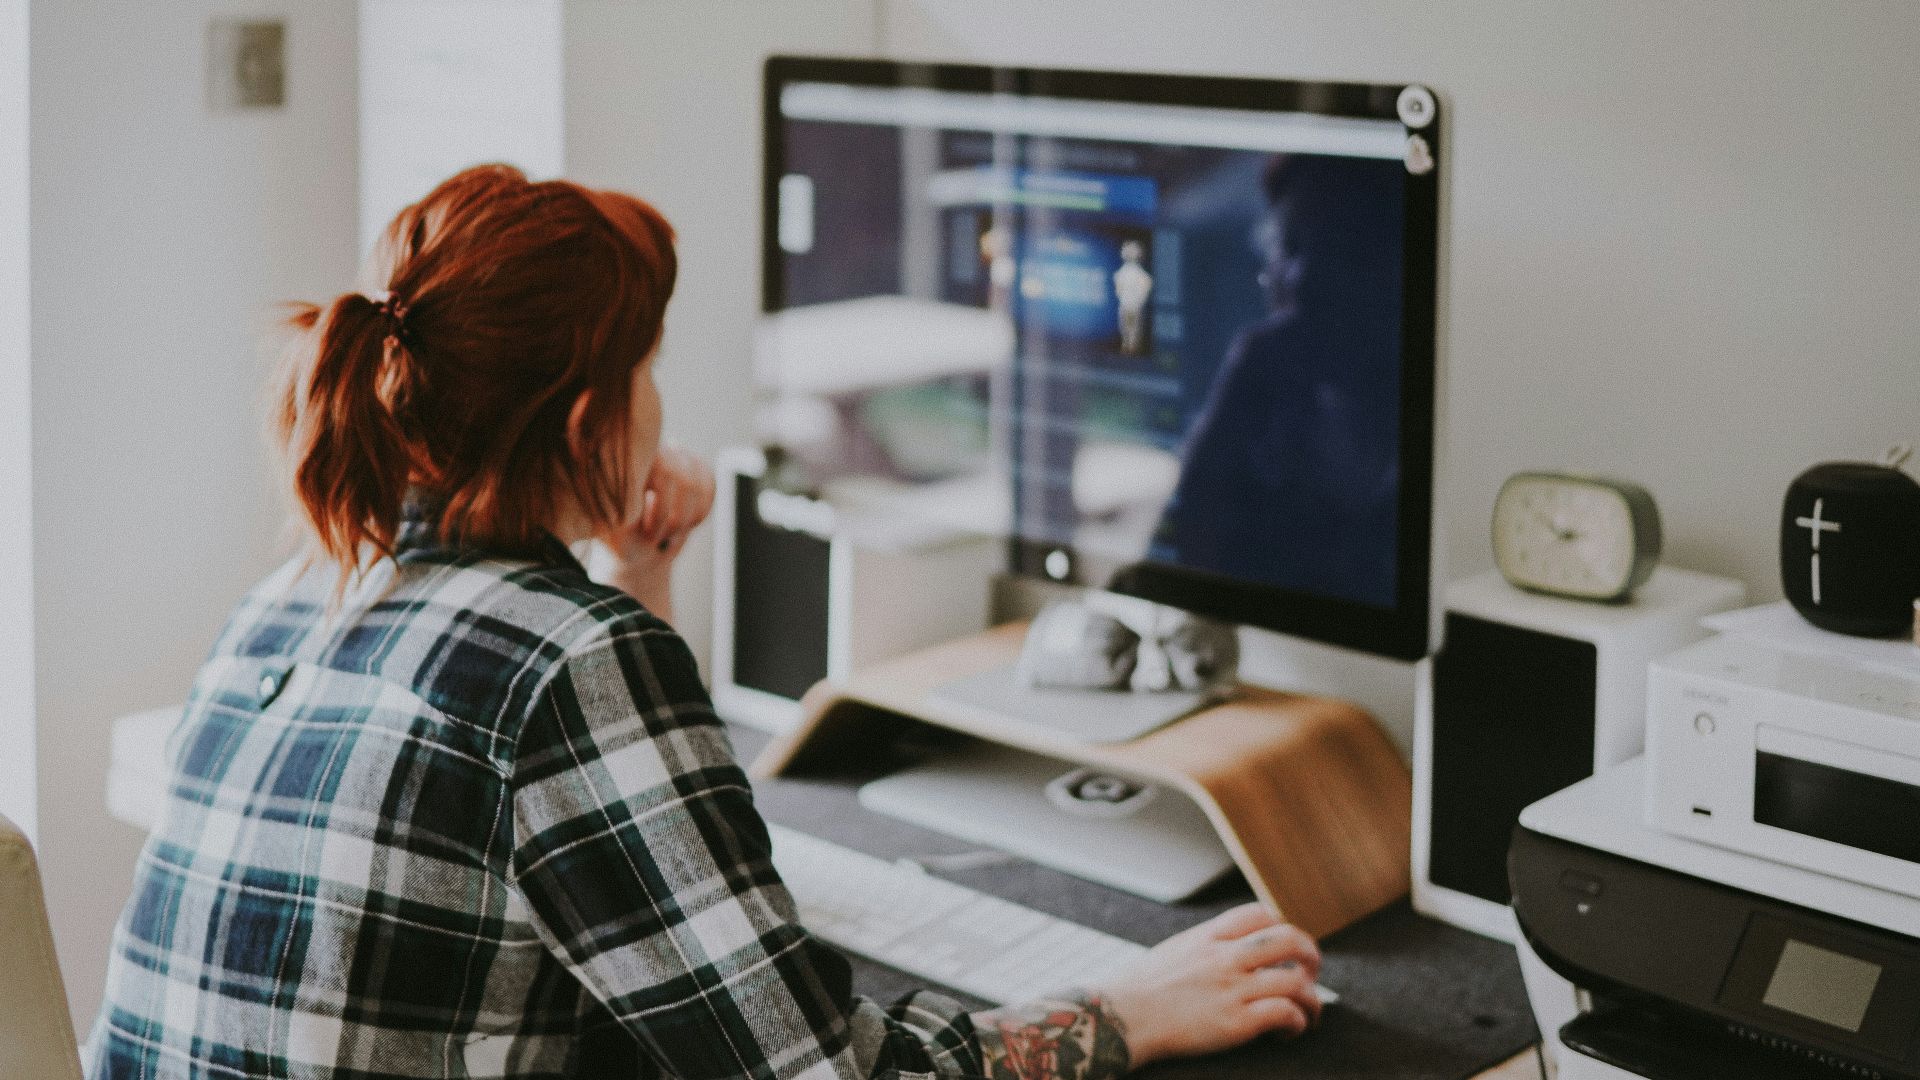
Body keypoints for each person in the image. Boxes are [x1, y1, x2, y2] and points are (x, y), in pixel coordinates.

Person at [85, 164, 1323, 1080]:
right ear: (588, 427)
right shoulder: (570, 660)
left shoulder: (293, 596)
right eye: (649, 366)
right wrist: (1130, 1009)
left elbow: (614, 872)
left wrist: (634, 572)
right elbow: (826, 1075)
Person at [1155, 154, 1405, 608]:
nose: (1302, 276)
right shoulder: (1262, 375)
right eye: (1288, 245)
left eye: (1334, 246)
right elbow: (1178, 550)